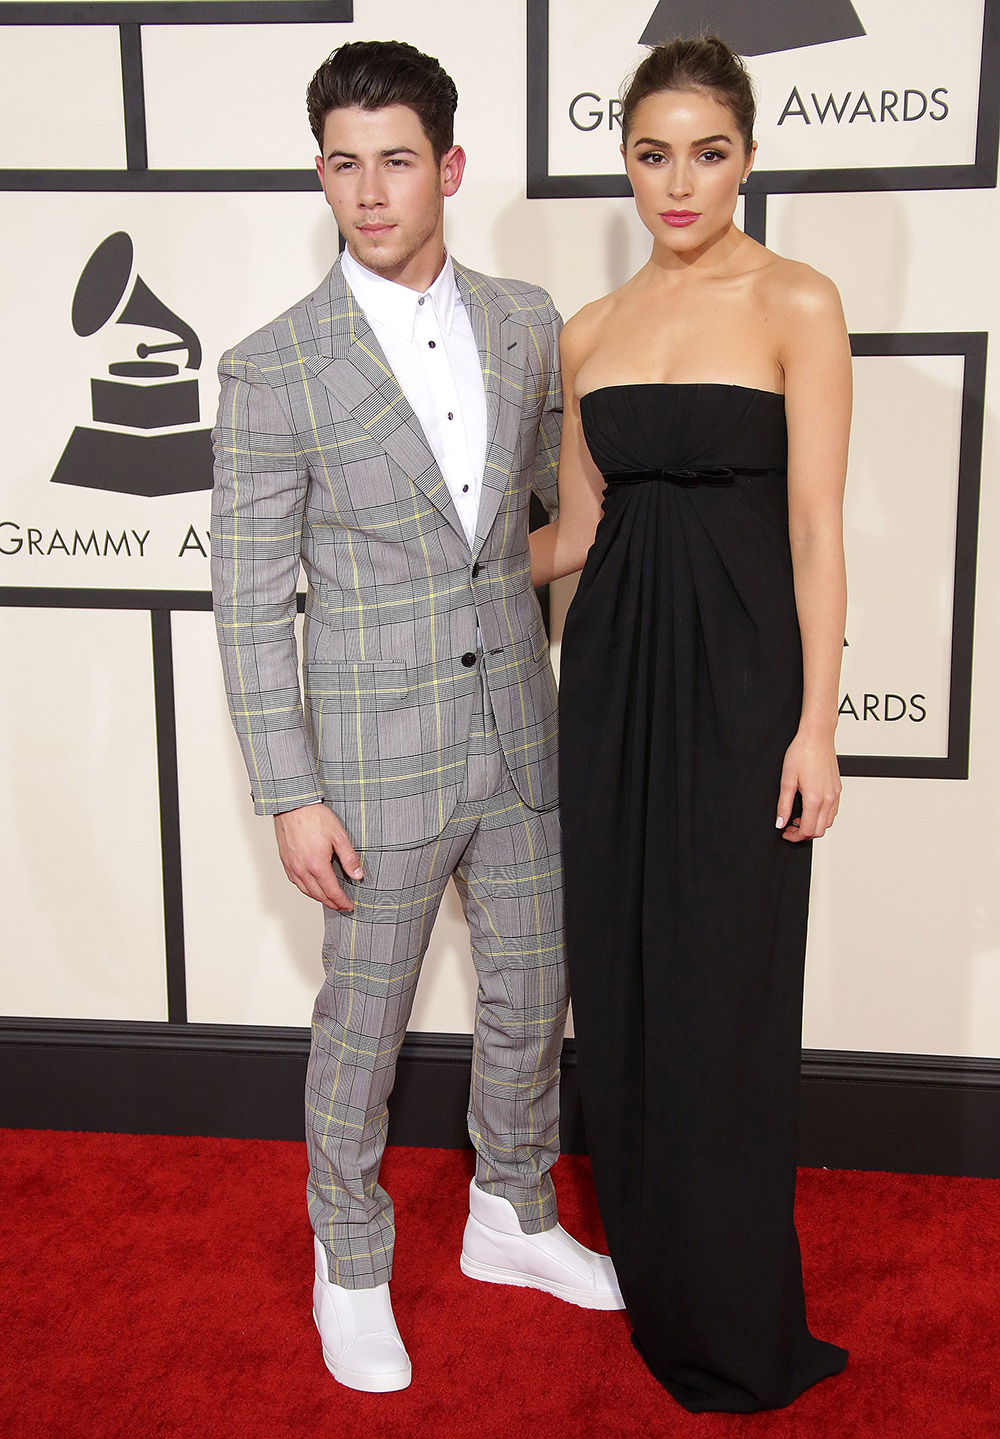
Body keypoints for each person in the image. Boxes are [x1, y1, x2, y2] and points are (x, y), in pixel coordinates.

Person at [210, 40, 622, 1396]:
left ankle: (513, 1209)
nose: (371, 191)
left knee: (531, 989)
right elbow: (251, 601)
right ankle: (350, 1258)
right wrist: (289, 790)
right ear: (319, 176)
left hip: (518, 722)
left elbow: (557, 519)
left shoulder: (523, 318)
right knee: (364, 1023)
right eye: (344, 163)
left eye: (397, 160)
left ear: (447, 167)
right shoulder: (274, 368)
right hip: (369, 761)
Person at [530, 35, 851, 1414]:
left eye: (708, 151)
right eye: (653, 152)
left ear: (749, 158)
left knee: (723, 989)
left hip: (740, 688)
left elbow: (821, 532)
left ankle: (736, 1315)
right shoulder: (588, 331)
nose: (680, 180)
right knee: (630, 979)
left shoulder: (796, 299)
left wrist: (817, 726)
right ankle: (660, 1278)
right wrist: (415, 559)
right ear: (626, 161)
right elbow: (575, 538)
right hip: (609, 680)